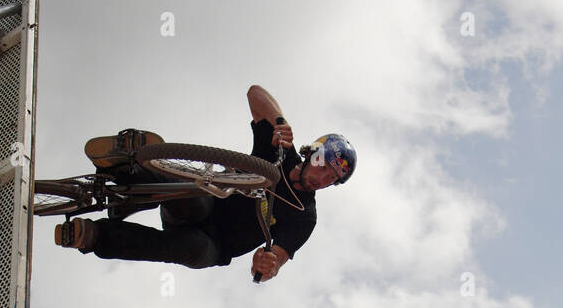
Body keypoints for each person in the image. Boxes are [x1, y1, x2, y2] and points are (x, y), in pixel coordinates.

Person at [54, 86, 356, 284]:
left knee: (190, 249)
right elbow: (254, 94)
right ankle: (123, 169)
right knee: (192, 195)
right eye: (323, 166)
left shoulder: (304, 215)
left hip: (216, 245)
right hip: (206, 200)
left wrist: (269, 266)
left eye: (332, 179)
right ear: (313, 152)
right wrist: (279, 121)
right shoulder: (278, 151)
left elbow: (278, 257)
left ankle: (94, 236)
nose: (323, 178)